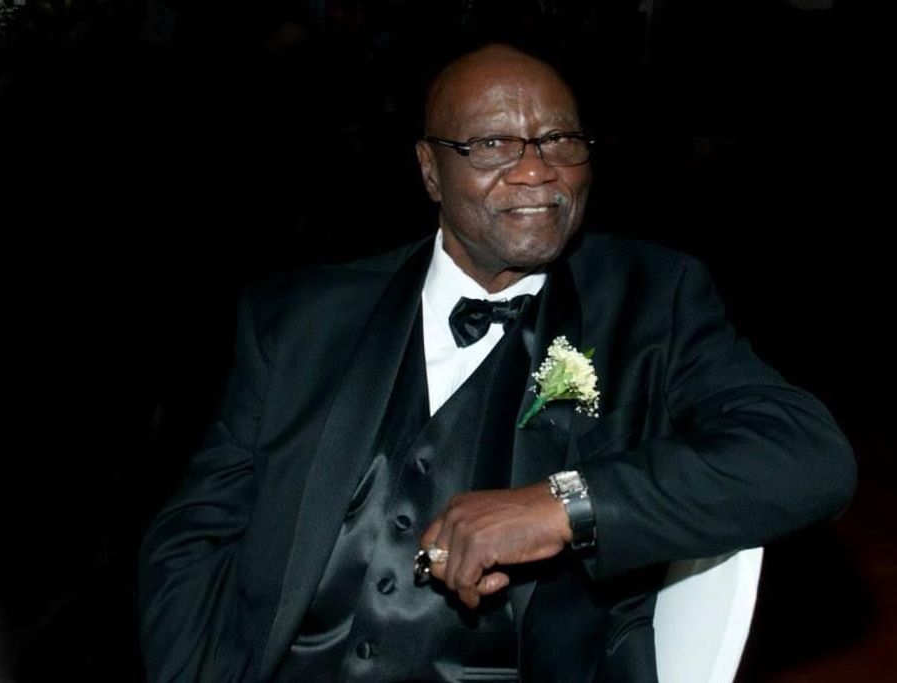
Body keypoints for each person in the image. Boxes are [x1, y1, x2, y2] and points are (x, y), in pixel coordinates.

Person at [138, 43, 856, 682]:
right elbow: (194, 535)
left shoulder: (652, 301)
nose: (537, 170)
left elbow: (808, 457)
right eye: (491, 144)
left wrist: (566, 504)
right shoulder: (301, 318)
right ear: (430, 170)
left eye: (560, 140)